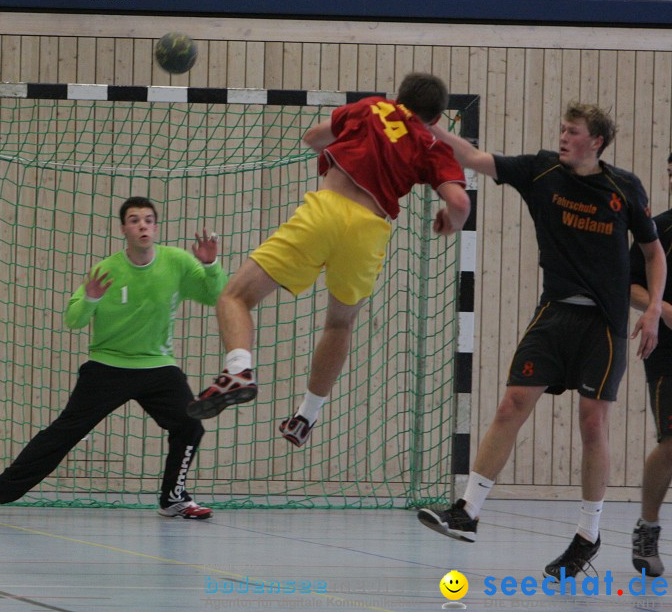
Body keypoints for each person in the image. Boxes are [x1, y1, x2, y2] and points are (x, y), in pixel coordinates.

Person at [416, 103, 666, 580]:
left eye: (573, 132)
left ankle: (588, 534)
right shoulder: (540, 170)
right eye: (562, 130)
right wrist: (430, 127)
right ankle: (468, 511)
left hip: (605, 325)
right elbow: (472, 156)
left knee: (593, 426)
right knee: (511, 404)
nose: (564, 137)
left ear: (597, 141)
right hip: (554, 314)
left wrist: (653, 308)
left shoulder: (624, 188)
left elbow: (653, 255)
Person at [186, 72, 471, 450]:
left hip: (326, 212)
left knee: (234, 297)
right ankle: (306, 415)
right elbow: (461, 202)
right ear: (434, 118)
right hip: (369, 231)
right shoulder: (433, 144)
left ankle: (238, 370)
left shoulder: (374, 108)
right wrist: (451, 222)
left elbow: (313, 138)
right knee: (339, 325)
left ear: (398, 97)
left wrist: (345, 145)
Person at [0, 196, 226, 519]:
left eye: (148, 219)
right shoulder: (106, 270)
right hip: (107, 366)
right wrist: (89, 298)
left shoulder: (177, 262)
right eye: (134, 220)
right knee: (64, 432)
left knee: (190, 425)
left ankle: (173, 498)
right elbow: (73, 319)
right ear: (124, 229)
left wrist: (210, 265)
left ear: (156, 227)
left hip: (158, 366)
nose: (142, 225)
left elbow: (215, 296)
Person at [627, 152, 672, 577]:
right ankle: (648, 528)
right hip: (668, 353)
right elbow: (631, 286)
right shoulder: (658, 230)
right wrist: (662, 309)